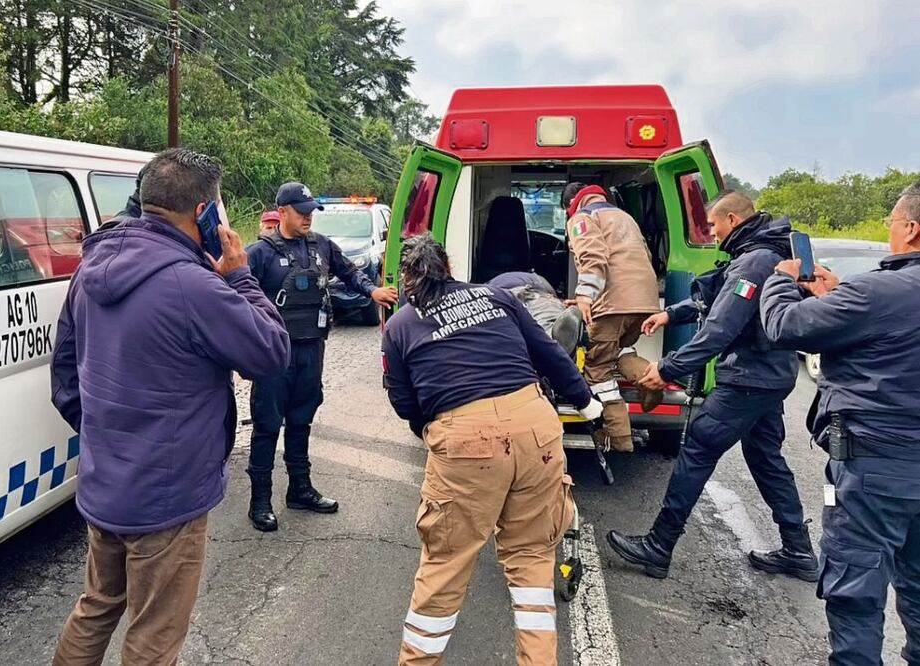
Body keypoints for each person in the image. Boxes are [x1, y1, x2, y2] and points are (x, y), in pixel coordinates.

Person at [49, 148, 290, 665]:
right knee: (154, 634)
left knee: (97, 606)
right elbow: (271, 351)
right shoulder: (195, 285)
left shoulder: (91, 266)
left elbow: (64, 375)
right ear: (205, 211)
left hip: (104, 481)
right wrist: (240, 276)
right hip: (167, 495)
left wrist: (105, 438)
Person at [382, 235, 604, 666]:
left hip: (465, 438)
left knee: (446, 563)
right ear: (448, 264)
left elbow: (403, 399)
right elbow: (549, 356)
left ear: (406, 278)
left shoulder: (400, 326)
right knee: (533, 558)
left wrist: (431, 428)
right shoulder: (497, 296)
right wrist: (586, 402)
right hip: (536, 427)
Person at [607, 191, 817, 581]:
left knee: (699, 449)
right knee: (766, 459)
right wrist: (671, 313)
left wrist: (668, 368)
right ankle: (798, 550)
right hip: (772, 375)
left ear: (733, 220)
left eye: (715, 224)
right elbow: (718, 298)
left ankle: (659, 546)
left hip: (750, 378)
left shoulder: (754, 261)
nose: (712, 232)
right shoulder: (763, 253)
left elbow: (721, 328)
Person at [760, 183, 920, 666]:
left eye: (892, 224)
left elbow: (784, 326)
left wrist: (782, 278)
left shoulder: (881, 290)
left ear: (911, 228)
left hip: (876, 469)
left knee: (856, 594)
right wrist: (837, 296)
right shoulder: (876, 294)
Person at [244, 181, 399, 531]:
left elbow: (350, 272)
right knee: (268, 426)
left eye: (311, 212)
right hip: (273, 355)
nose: (308, 218)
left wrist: (372, 290)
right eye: (301, 212)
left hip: (312, 349)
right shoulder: (260, 253)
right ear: (281, 212)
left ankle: (300, 489)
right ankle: (260, 500)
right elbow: (234, 298)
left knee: (302, 420)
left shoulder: (322, 246)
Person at [561, 182, 662, 451]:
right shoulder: (624, 216)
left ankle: (617, 436)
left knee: (598, 369)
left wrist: (585, 296)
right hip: (645, 302)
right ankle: (647, 378)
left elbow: (593, 257)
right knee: (620, 349)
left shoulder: (583, 217)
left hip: (614, 305)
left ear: (571, 205)